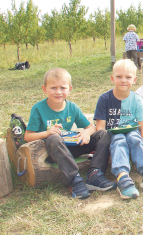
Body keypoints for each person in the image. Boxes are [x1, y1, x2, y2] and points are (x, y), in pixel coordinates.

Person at [24, 68, 115, 200]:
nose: (58, 92)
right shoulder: (38, 109)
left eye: (62, 87)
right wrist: (47, 133)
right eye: (53, 88)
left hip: (71, 147)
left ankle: (95, 175)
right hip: (52, 151)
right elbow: (28, 136)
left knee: (103, 133)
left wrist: (86, 133)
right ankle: (74, 179)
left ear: (70, 89)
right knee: (54, 137)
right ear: (44, 89)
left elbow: (91, 127)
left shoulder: (72, 107)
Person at [94, 59, 143, 199]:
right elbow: (100, 128)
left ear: (135, 79)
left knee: (135, 138)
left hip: (132, 131)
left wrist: (142, 147)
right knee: (119, 140)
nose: (123, 80)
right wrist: (106, 152)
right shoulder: (105, 99)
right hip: (112, 134)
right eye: (119, 77)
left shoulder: (137, 100)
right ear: (112, 78)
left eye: (128, 77)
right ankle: (122, 176)